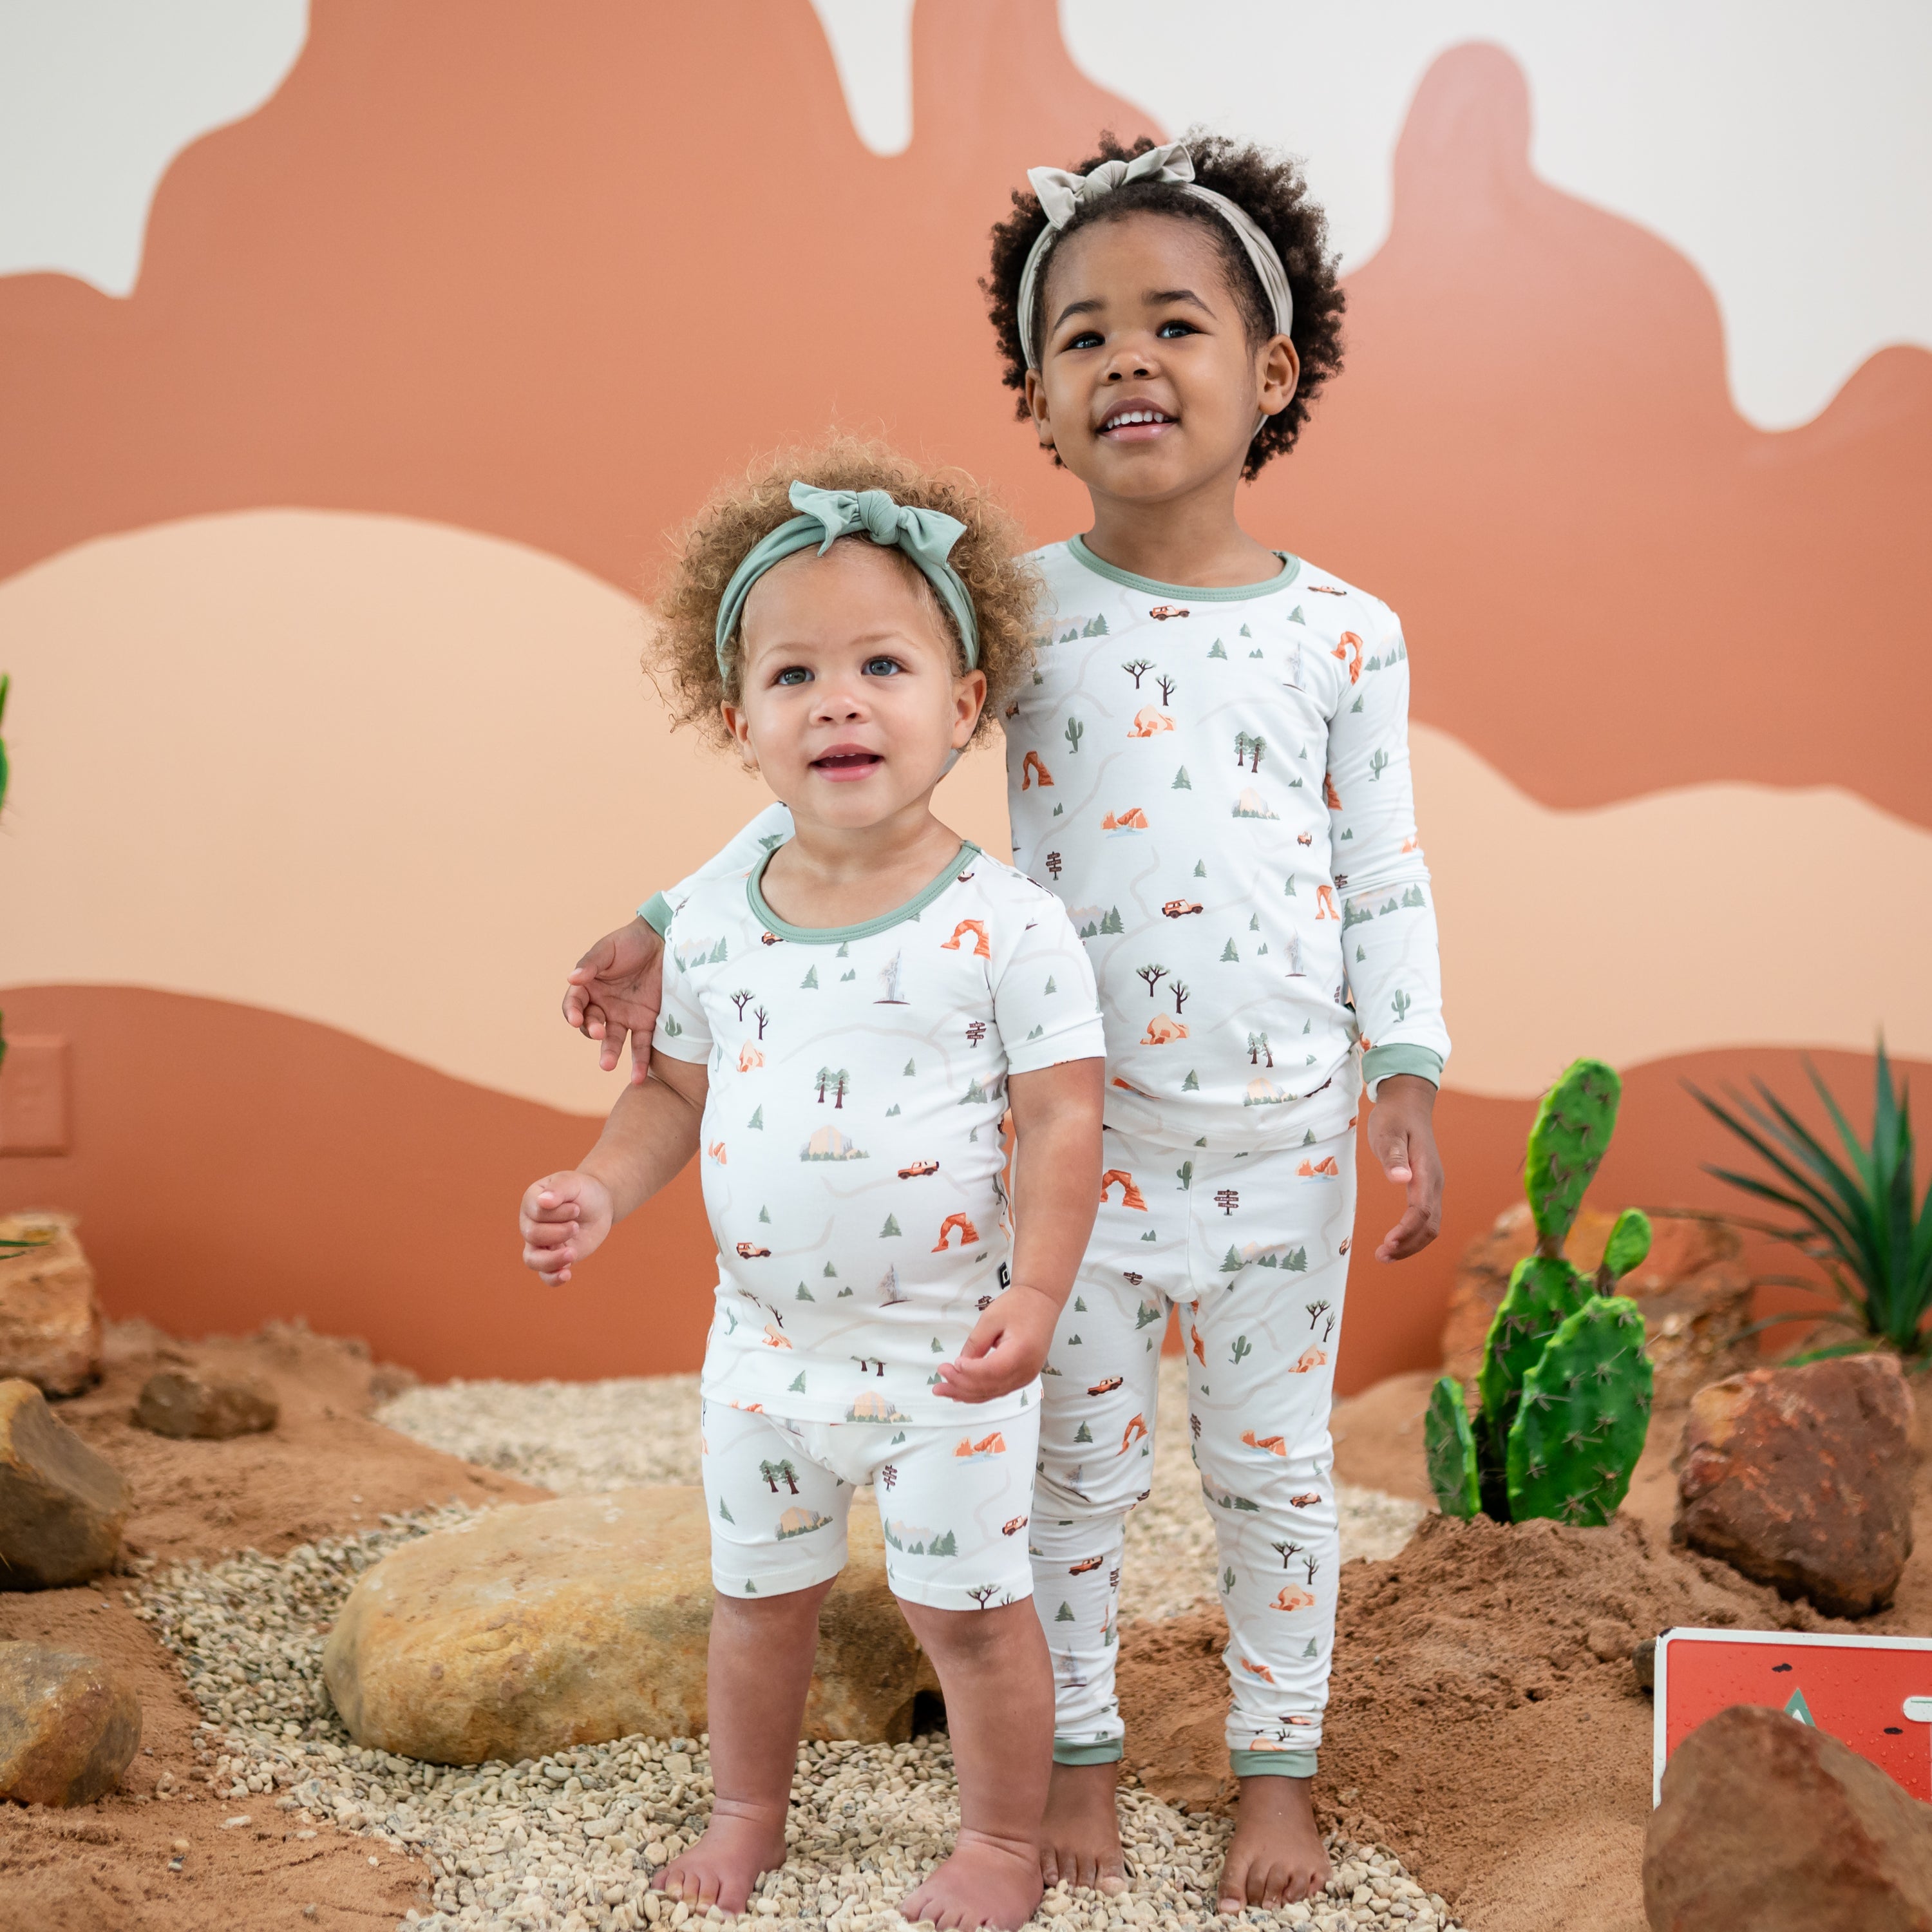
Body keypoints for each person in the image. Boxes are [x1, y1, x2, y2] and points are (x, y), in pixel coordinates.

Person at [562, 134, 1450, 1913]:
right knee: (1074, 1494)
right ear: (1037, 400)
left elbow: (1385, 864)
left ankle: (1279, 1774)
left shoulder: (1348, 635)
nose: (1130, 360)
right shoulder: (1019, 619)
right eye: (1083, 337)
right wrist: (669, 914)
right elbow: (837, 781)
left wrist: (1405, 1071)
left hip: (1279, 1148)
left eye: (1175, 325)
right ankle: (1086, 1762)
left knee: (1279, 1484)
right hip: (1071, 1154)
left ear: (1269, 373)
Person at [520, 443, 1107, 1931]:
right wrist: (598, 1188)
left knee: (969, 1616)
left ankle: (997, 1842)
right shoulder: (715, 921)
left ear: (963, 705)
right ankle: (746, 1814)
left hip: (947, 1360)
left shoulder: (1009, 925)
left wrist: (1037, 1297)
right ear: (741, 724)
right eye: (793, 677)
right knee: (757, 1604)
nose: (838, 700)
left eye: (884, 664)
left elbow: (1064, 1120)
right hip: (764, 1357)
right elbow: (672, 1092)